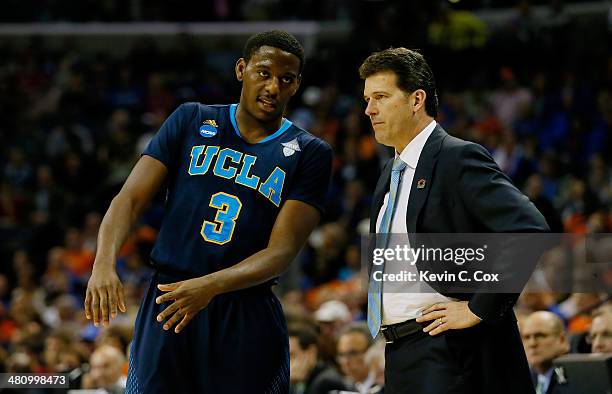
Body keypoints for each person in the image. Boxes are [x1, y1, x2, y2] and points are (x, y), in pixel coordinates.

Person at [84, 30, 333, 394]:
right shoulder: (190, 119)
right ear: (241, 69)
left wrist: (210, 286)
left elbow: (281, 252)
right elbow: (129, 200)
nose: (273, 87)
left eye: (286, 79)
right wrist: (104, 263)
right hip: (170, 297)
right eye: (263, 73)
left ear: (296, 86)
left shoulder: (311, 152)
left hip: (244, 307)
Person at [360, 47, 549, 394]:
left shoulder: (456, 157)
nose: (369, 109)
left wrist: (479, 308)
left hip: (449, 350)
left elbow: (528, 228)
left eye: (381, 97)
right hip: (399, 353)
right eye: (368, 99)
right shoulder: (390, 172)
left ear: (417, 99)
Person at [289, 324, 349, 394]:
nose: (287, 361)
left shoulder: (327, 382)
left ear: (311, 352)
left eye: (291, 355)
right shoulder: (302, 379)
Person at [521, 311, 569, 394]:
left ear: (562, 340)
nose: (532, 343)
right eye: (527, 337)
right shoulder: (524, 379)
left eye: (540, 335)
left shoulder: (575, 377)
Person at [336, 323, 382, 394]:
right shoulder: (344, 388)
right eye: (341, 355)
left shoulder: (387, 386)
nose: (345, 362)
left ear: (372, 352)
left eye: (353, 353)